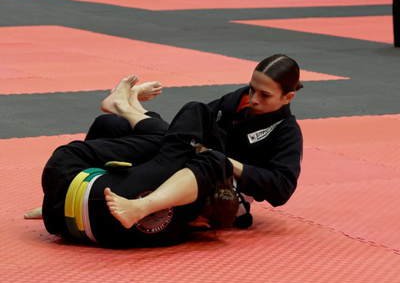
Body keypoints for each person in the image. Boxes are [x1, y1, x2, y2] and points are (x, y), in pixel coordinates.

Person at [28, 54, 303, 230]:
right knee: (109, 125)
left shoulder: (287, 132)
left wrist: (225, 162)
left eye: (264, 95)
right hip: (188, 158)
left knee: (191, 113)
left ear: (288, 97)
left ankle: (128, 106)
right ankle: (68, 196)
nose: (254, 98)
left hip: (217, 184)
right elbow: (185, 131)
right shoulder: (239, 99)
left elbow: (281, 187)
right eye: (253, 88)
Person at [41, 76, 239, 247]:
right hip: (58, 219)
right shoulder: (173, 237)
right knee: (117, 127)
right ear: (202, 225)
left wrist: (201, 150)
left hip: (64, 168)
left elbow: (196, 110)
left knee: (163, 139)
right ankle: (127, 105)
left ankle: (123, 105)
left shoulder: (172, 166)